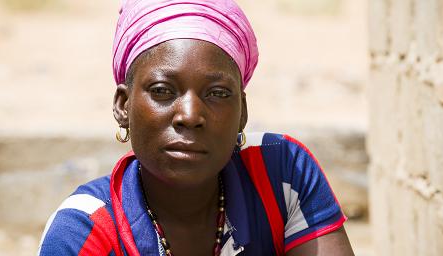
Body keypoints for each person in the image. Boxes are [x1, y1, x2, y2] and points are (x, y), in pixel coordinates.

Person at [37, 0, 354, 255]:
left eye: (217, 93)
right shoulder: (83, 230)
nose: (190, 115)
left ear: (242, 112)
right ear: (123, 106)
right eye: (162, 91)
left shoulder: (281, 175)